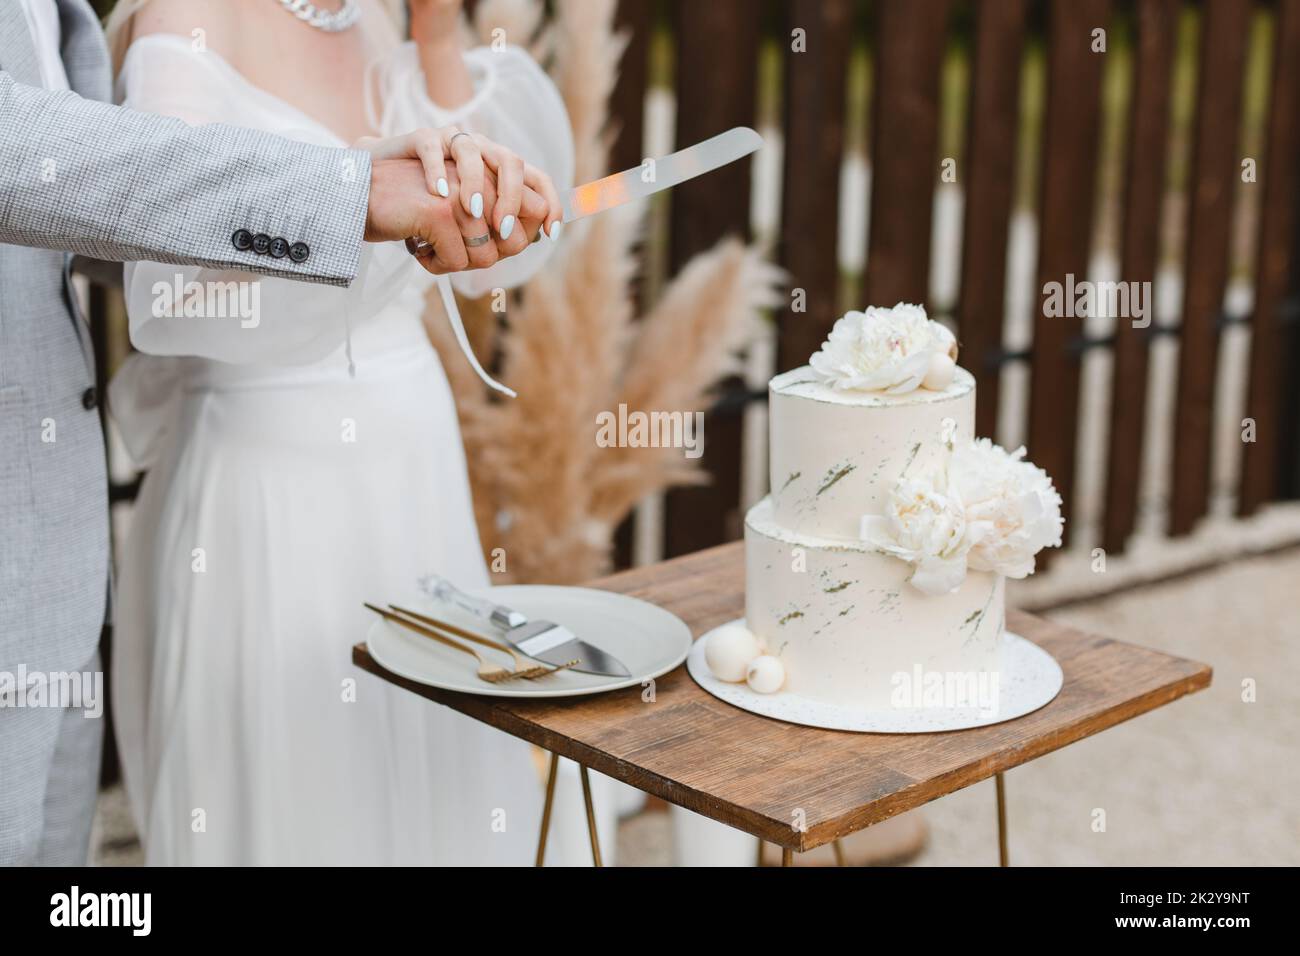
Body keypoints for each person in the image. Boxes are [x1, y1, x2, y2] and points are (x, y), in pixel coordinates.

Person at [0, 0, 567, 865]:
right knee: (297, 797)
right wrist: (355, 208)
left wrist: (439, 39)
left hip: (410, 459)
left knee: (433, 782)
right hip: (269, 478)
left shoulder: (379, 25)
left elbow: (509, 242)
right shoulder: (182, 23)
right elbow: (168, 285)